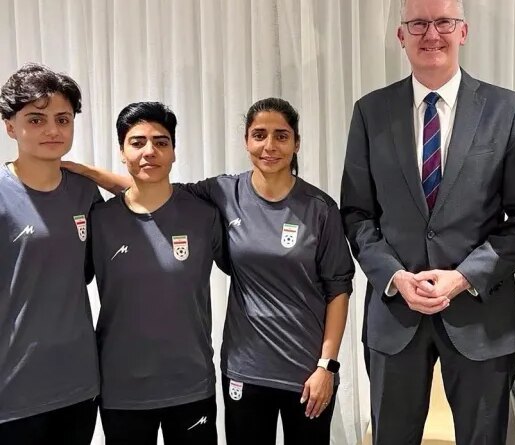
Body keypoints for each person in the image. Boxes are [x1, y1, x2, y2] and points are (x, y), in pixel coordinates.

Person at [64, 97, 354, 445]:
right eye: (259, 134)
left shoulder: (318, 208)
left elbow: (339, 287)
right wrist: (84, 173)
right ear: (246, 141)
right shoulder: (221, 193)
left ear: (296, 142)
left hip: (303, 370)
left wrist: (328, 364)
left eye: (281, 135)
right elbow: (150, 186)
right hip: (240, 370)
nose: (269, 145)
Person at [340, 0, 515, 443]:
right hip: (395, 316)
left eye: (443, 22)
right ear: (401, 35)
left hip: (481, 317)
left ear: (463, 31)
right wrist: (393, 275)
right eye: (418, 24)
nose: (431, 34)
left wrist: (463, 277)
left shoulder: (507, 111)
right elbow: (357, 215)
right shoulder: (370, 112)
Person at [91, 102, 228, 444]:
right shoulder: (99, 220)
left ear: (174, 152)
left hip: (190, 384)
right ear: (122, 152)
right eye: (137, 142)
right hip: (121, 388)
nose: (149, 151)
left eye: (161, 142)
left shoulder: (204, 215)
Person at [0, 63, 101, 444]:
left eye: (63, 119)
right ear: (10, 126)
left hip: (77, 385)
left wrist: (96, 174)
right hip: (12, 391)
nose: (53, 130)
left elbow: (151, 199)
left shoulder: (84, 193)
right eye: (36, 119)